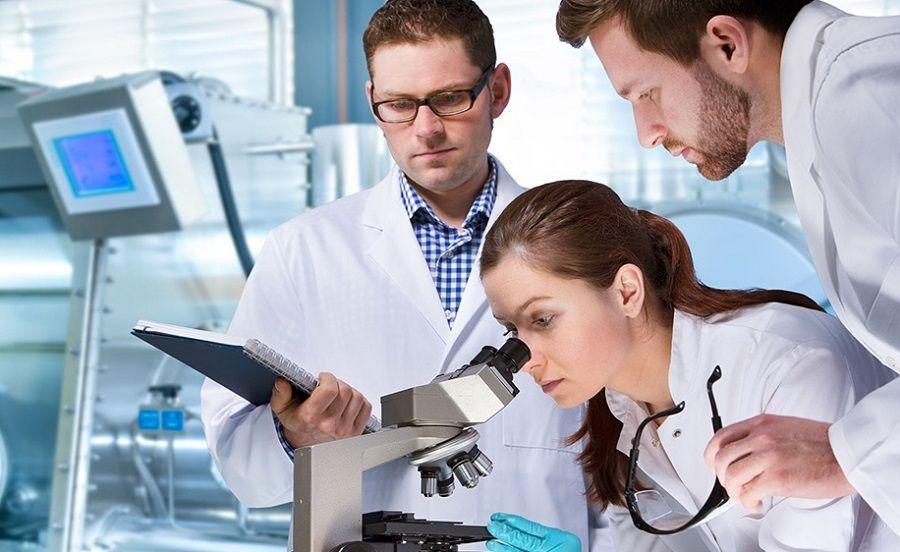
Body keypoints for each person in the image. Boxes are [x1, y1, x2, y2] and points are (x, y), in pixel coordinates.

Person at [201, 0, 612, 548]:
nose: (426, 129)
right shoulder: (302, 251)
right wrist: (295, 436)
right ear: (374, 101)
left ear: (498, 91)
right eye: (399, 105)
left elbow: (638, 461)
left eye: (450, 98)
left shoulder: (582, 241)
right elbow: (240, 468)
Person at [555, 0, 900, 538]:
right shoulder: (828, 115)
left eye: (647, 93)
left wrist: (846, 455)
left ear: (727, 44)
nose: (646, 133)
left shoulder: (864, 94)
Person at [478, 180, 896, 551]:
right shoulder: (621, 411)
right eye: (511, 330)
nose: (525, 361)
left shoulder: (787, 363)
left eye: (543, 319)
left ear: (626, 291)